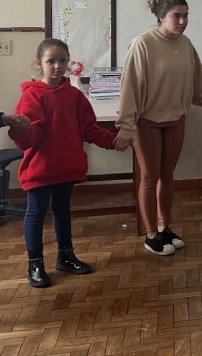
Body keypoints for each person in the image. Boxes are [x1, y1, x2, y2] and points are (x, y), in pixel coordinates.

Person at [117, 0, 202, 256]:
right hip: (147, 123)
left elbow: (199, 82)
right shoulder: (142, 44)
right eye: (176, 16)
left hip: (175, 120)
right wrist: (126, 126)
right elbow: (130, 87)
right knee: (149, 177)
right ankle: (150, 235)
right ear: (161, 16)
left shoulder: (186, 44)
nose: (182, 21)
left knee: (167, 176)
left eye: (186, 16)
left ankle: (164, 227)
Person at [9, 39, 129, 288]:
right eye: (51, 61)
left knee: (62, 210)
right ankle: (35, 264)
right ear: (39, 64)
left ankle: (66, 256)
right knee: (35, 214)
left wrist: (113, 140)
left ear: (68, 63)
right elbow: (29, 136)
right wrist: (21, 129)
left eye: (62, 60)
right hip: (40, 170)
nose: (57, 66)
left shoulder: (74, 95)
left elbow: (89, 129)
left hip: (66, 168)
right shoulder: (32, 95)